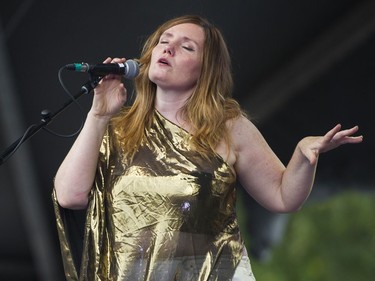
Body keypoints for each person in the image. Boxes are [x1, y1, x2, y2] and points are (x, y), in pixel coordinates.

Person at [53, 15, 363, 281]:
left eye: (187, 47)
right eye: (164, 41)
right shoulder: (117, 129)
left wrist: (303, 156)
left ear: (205, 72)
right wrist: (98, 114)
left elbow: (283, 197)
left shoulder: (228, 127)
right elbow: (70, 195)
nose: (169, 48)